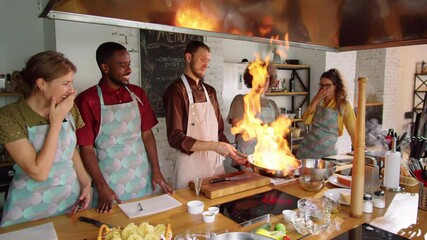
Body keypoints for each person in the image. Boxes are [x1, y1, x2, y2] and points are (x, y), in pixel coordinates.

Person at [75, 42, 173, 213]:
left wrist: (156, 170)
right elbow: (86, 148)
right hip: (109, 184)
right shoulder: (87, 100)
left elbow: (147, 134)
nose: (129, 70)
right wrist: (101, 187)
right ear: (105, 67)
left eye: (129, 64)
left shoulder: (138, 94)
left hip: (142, 179)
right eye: (122, 65)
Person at [0, 51, 91, 226]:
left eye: (71, 83)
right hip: (28, 207)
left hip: (69, 200)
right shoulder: (9, 117)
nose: (71, 90)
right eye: (65, 83)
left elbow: (70, 150)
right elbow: (39, 172)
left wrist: (86, 183)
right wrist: (55, 123)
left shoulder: (69, 108)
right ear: (42, 84)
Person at [163, 40, 247, 189]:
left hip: (214, 168)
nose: (206, 65)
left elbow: (219, 132)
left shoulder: (210, 92)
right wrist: (214, 146)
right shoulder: (175, 91)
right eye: (202, 59)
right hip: (189, 169)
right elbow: (175, 138)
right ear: (188, 57)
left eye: (208, 61)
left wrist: (233, 154)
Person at [227, 61, 281, 169]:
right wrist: (264, 129)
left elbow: (279, 131)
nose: (264, 82)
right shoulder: (240, 101)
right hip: (246, 159)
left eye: (267, 78)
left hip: (268, 159)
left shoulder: (272, 105)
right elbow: (237, 127)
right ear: (251, 79)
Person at [296, 68, 356, 159]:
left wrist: (359, 149)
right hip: (307, 150)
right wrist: (315, 100)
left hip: (327, 154)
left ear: (336, 86)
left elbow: (354, 131)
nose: (324, 89)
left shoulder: (344, 105)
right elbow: (305, 120)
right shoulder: (318, 101)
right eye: (322, 85)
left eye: (328, 86)